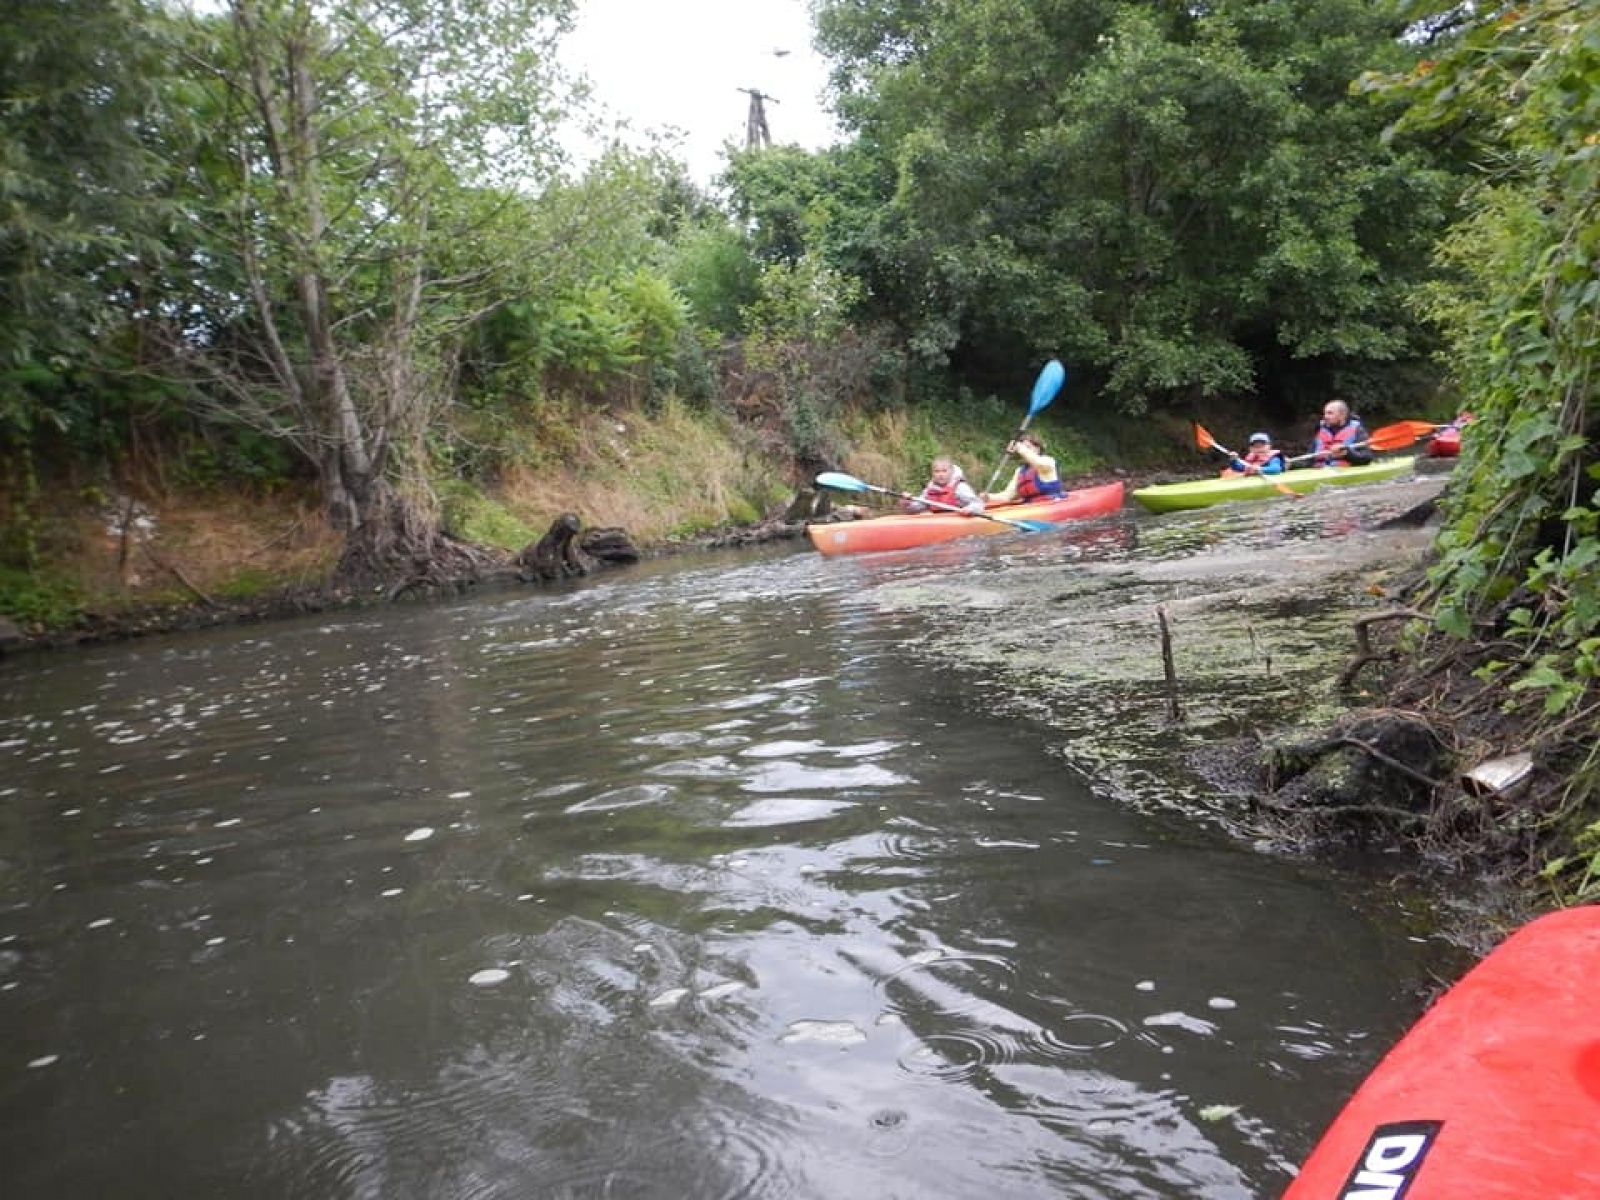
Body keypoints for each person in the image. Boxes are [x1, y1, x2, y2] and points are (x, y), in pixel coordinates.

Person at [984, 433, 1064, 504]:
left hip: (1050, 503)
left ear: (1038, 449)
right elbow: (1007, 496)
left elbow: (1038, 463)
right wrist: (989, 497)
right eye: (1023, 448)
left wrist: (1019, 446)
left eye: (1028, 447)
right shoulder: (1019, 471)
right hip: (1029, 506)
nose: (1023, 451)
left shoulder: (1048, 461)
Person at [904, 456, 984, 514]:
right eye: (937, 471)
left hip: (958, 519)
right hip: (939, 521)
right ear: (933, 473)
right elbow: (916, 508)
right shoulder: (930, 489)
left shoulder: (960, 487)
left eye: (944, 471)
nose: (940, 475)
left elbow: (978, 504)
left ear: (951, 471)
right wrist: (908, 503)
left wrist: (969, 509)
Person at [1310, 399, 1372, 467]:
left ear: (1342, 415)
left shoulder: (1357, 430)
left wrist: (1347, 453)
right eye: (1325, 413)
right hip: (1320, 471)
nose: (1326, 416)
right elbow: (1309, 459)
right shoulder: (1321, 430)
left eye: (1330, 413)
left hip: (1345, 472)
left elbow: (1366, 458)